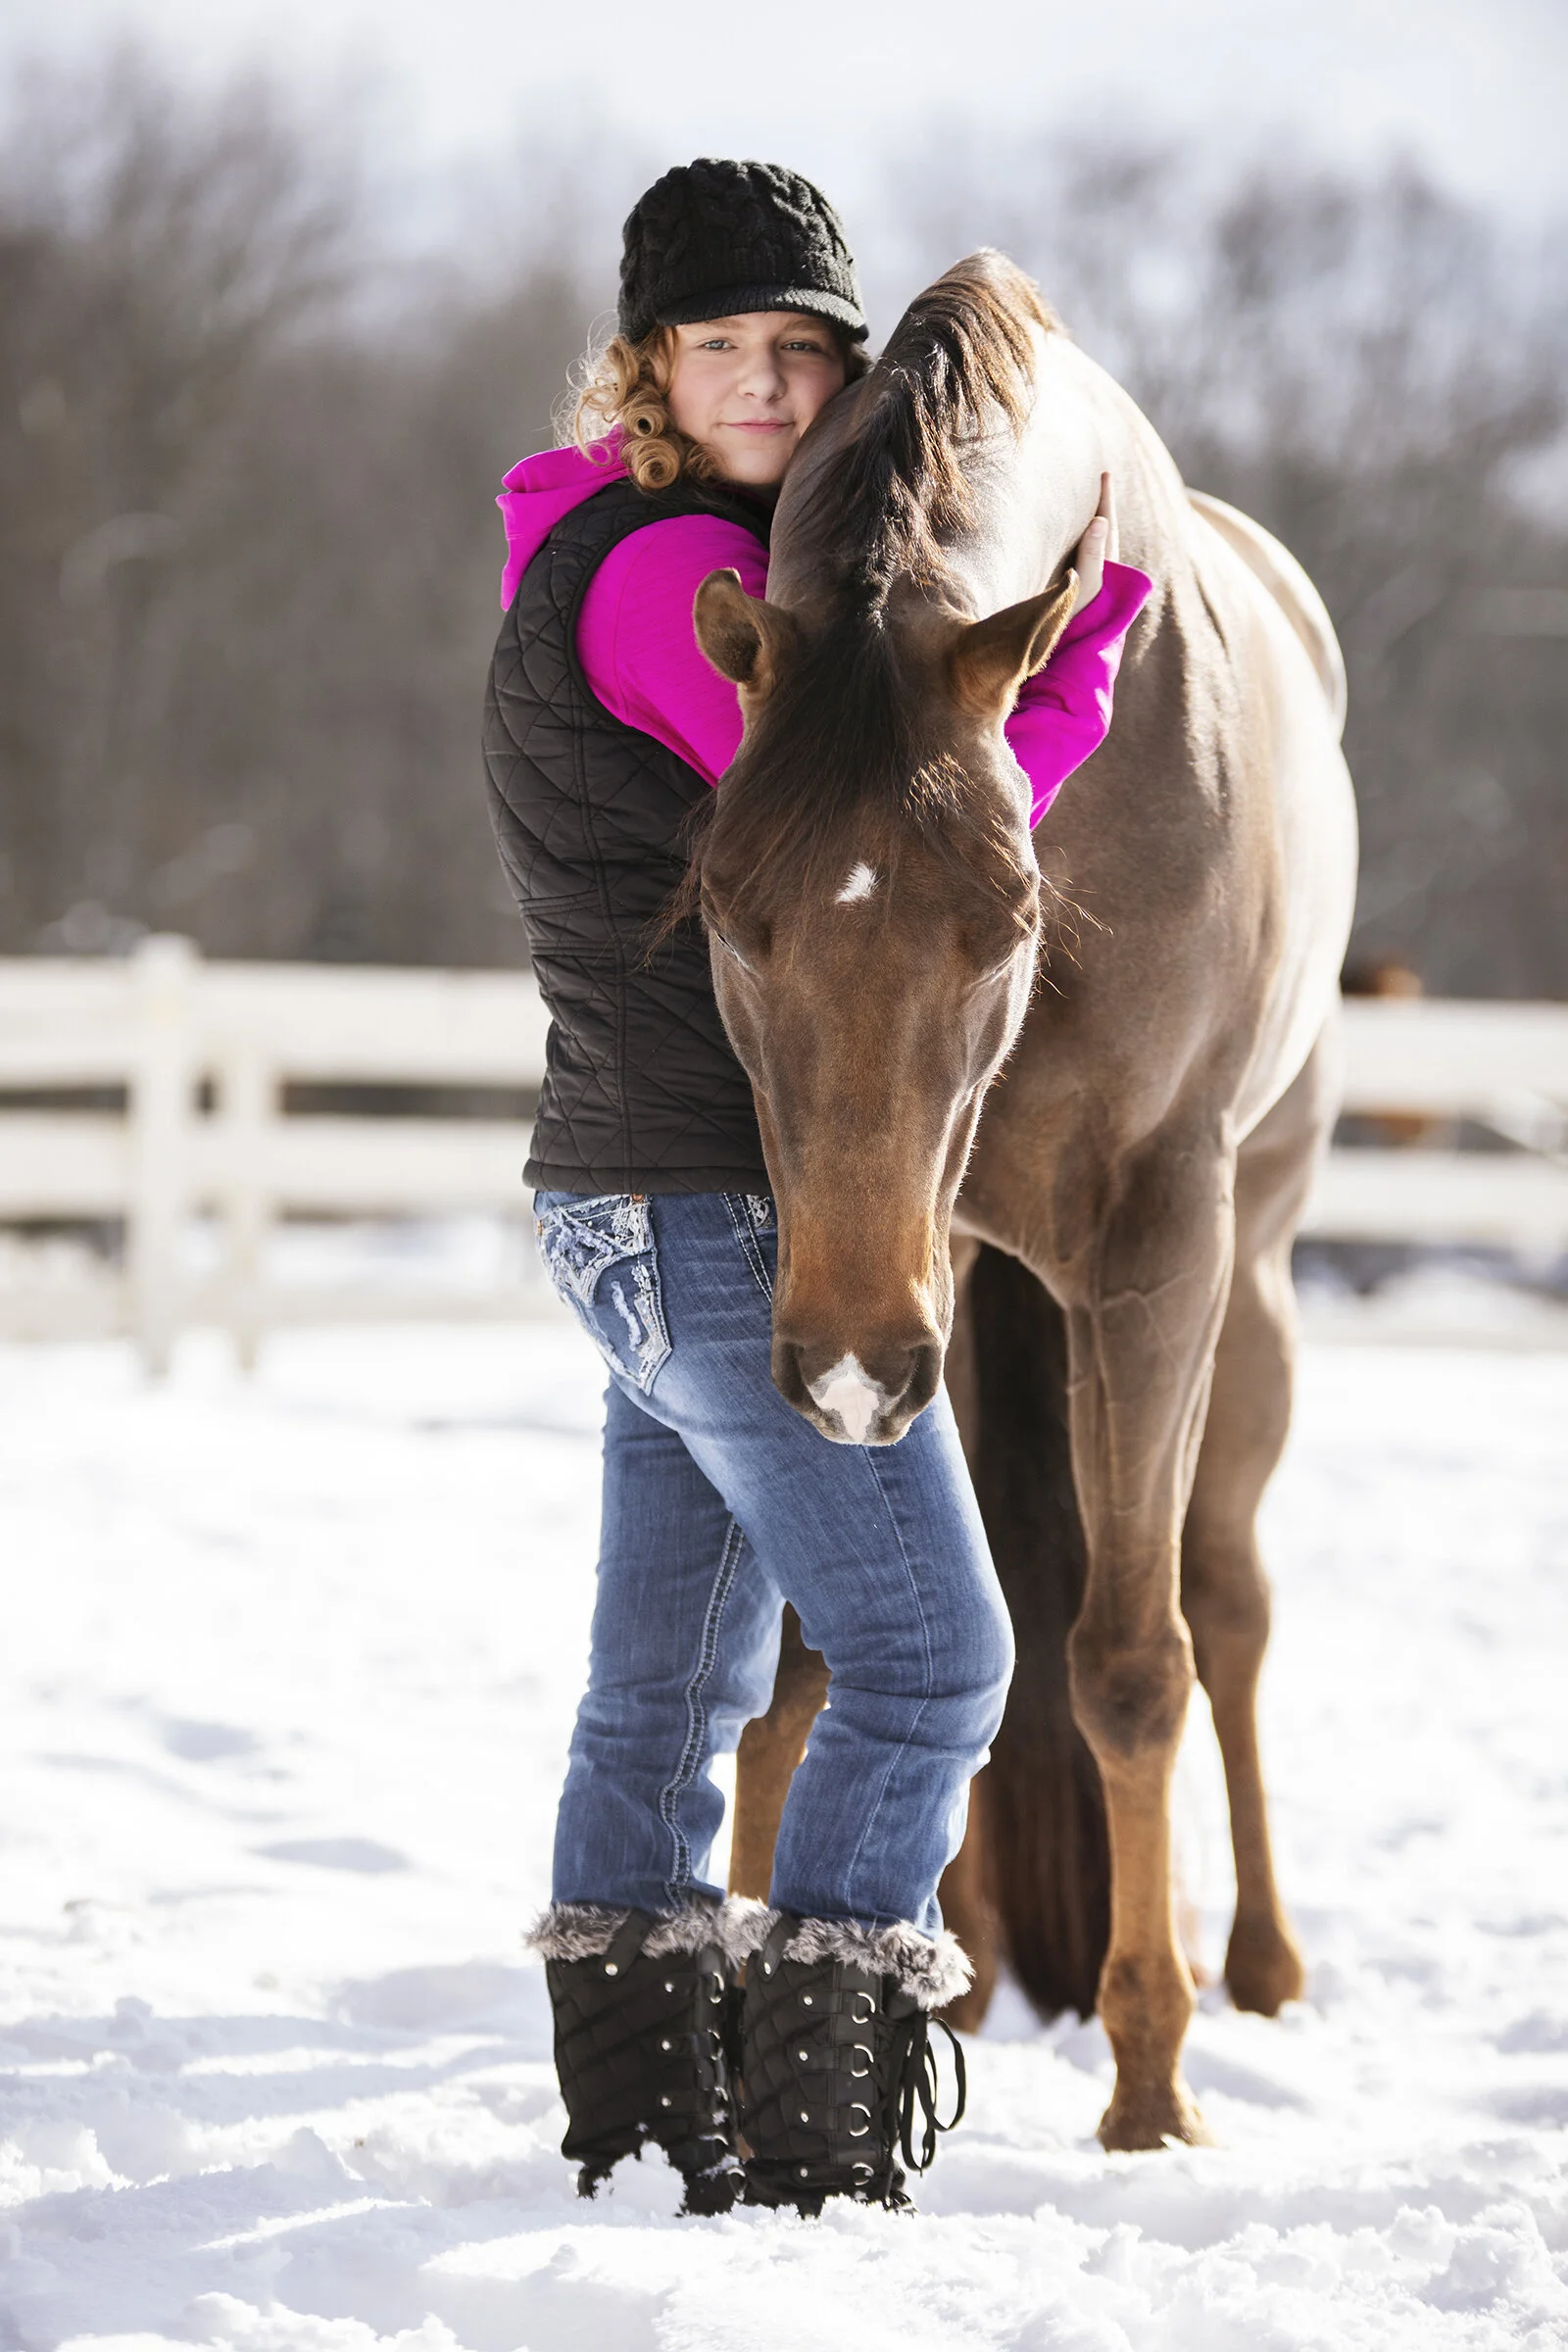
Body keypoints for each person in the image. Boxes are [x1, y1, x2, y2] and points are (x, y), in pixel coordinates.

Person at [483, 159, 1152, 2218]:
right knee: (937, 1660)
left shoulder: (602, 544)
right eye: (720, 348)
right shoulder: (671, 581)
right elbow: (886, 819)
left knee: (668, 1688)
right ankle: (815, 2125)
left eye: (801, 351)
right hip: (705, 1210)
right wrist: (1081, 644)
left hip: (620, 1201)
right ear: (648, 366)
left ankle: (634, 2124)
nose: (766, 385)